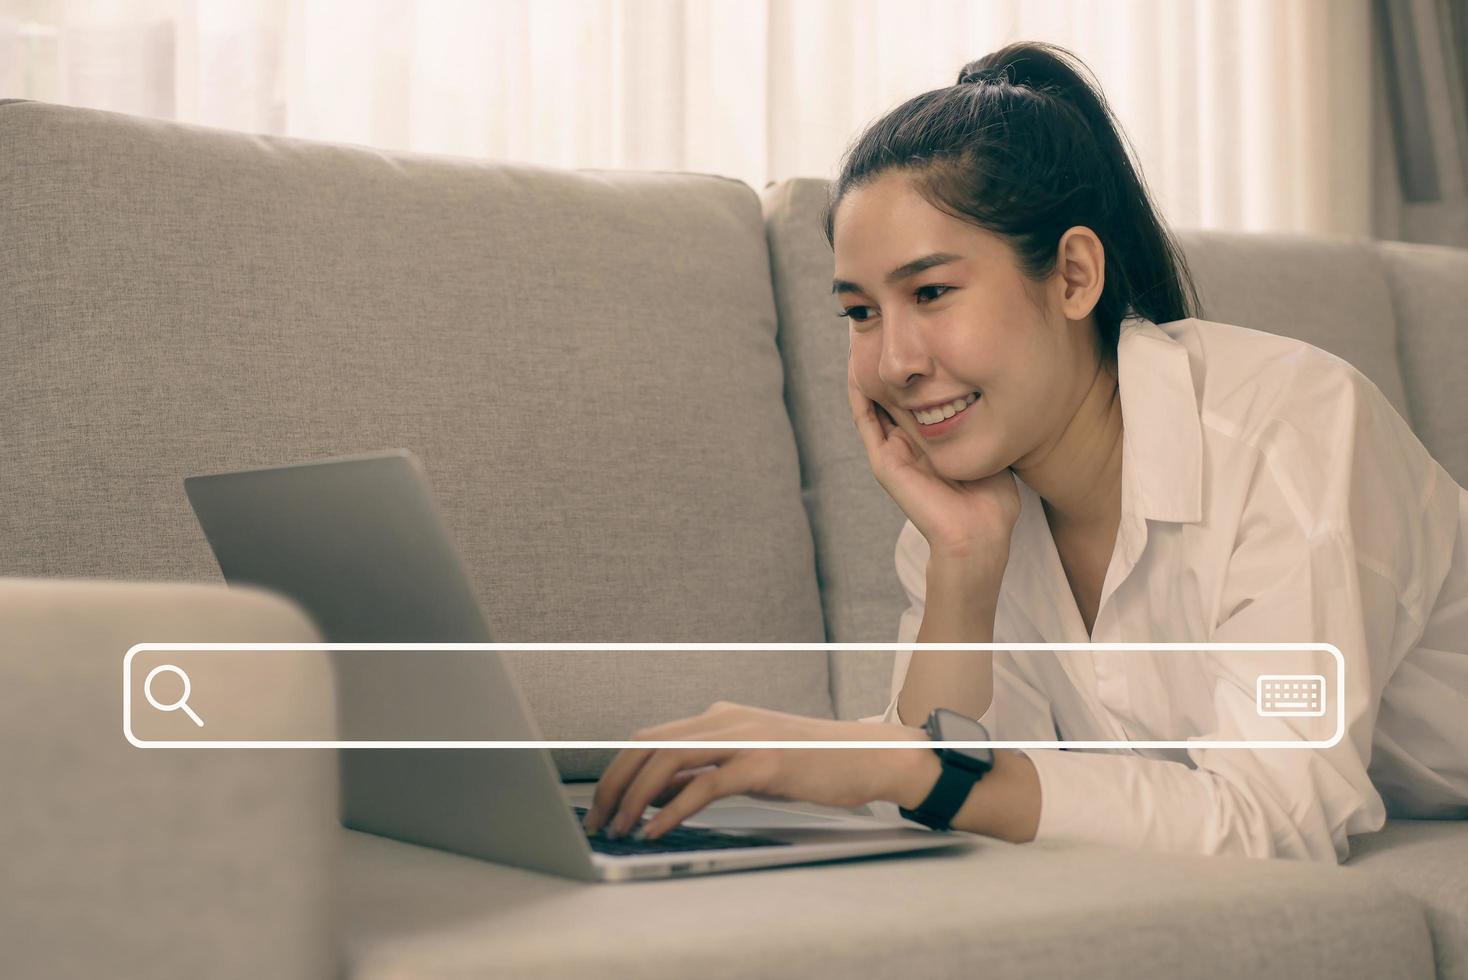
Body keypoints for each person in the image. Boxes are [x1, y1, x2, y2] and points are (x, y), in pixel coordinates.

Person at [581, 41, 1468, 863]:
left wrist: (904, 765)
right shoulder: (969, 507)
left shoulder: (1290, 430)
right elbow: (960, 806)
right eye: (859, 312)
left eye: (930, 291)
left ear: (1076, 275)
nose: (894, 361)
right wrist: (963, 567)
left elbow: (1274, 822)